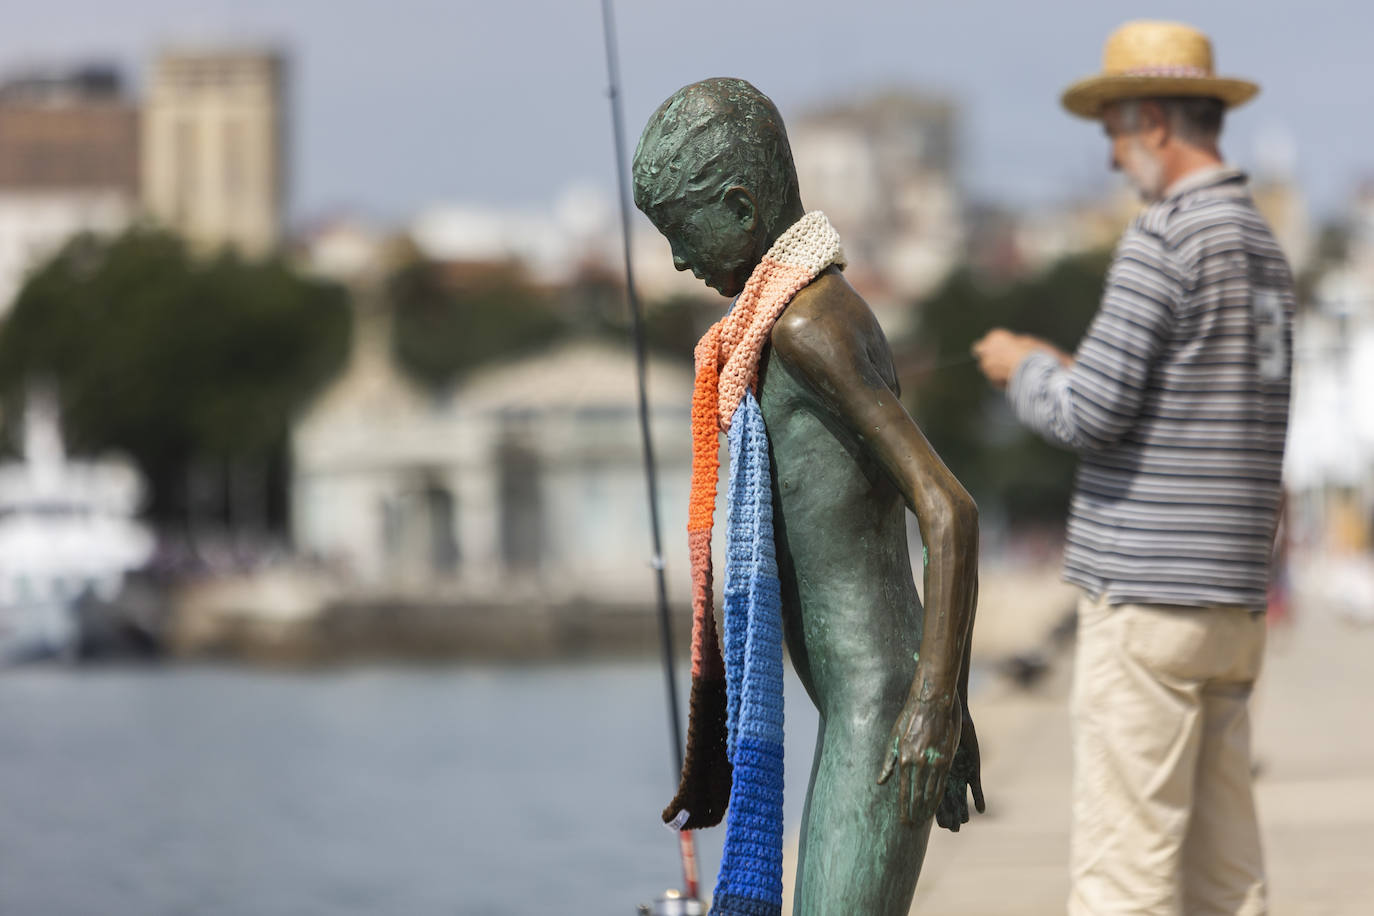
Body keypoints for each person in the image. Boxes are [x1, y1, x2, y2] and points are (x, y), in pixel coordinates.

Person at [633, 78, 981, 914]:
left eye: (684, 235)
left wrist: (935, 703)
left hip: (881, 715)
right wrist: (947, 688)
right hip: (868, 701)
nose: (681, 263)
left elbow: (949, 511)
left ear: (742, 207)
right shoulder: (807, 314)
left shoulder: (807, 326)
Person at [972, 21, 1292, 916]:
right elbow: (1203, 408)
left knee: (1126, 877)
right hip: (1230, 600)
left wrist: (1024, 365)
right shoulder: (1262, 249)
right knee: (1226, 876)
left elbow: (1088, 413)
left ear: (1152, 121)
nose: (1113, 159)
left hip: (1147, 598)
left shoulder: (1165, 239)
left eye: (1114, 132)